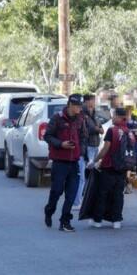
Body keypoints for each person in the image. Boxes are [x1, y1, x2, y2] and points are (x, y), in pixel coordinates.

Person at [86, 105, 135, 229]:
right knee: (118, 195)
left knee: (103, 194)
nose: (112, 118)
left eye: (113, 115)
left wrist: (95, 161)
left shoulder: (112, 131)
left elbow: (105, 149)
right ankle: (116, 221)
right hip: (122, 168)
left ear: (119, 117)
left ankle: (98, 220)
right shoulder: (129, 133)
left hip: (109, 166)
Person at [43, 93, 85, 232]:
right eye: (77, 106)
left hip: (74, 161)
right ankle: (49, 211)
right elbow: (47, 136)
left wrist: (81, 151)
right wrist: (61, 144)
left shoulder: (80, 119)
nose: (79, 108)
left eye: (80, 106)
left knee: (72, 194)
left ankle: (65, 221)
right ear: (70, 105)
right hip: (60, 161)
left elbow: (83, 136)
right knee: (57, 191)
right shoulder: (57, 118)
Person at [75, 93, 104, 209]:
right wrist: (97, 129)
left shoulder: (95, 113)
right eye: (92, 100)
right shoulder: (82, 114)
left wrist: (97, 129)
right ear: (87, 101)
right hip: (86, 147)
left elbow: (100, 128)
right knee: (81, 176)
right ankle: (77, 202)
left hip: (95, 146)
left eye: (94, 100)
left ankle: (86, 199)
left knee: (92, 176)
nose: (94, 102)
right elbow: (88, 129)